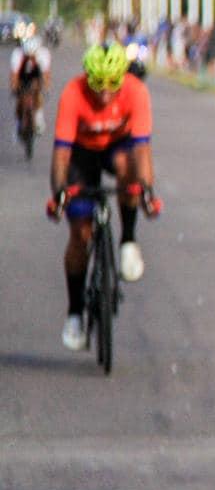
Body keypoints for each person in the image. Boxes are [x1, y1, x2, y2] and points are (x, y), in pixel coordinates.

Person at [46, 43, 162, 351]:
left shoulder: (136, 92)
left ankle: (127, 240)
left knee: (128, 169)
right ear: (88, 78)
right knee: (80, 233)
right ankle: (74, 314)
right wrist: (58, 193)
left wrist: (148, 191)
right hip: (82, 156)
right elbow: (61, 153)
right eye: (98, 84)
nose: (106, 93)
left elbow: (141, 150)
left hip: (117, 150)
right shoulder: (73, 94)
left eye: (113, 84)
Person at [9, 35, 52, 134]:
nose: (30, 57)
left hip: (36, 76)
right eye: (28, 55)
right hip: (22, 76)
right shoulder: (17, 54)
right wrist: (14, 87)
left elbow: (46, 74)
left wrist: (46, 87)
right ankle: (18, 124)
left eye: (32, 55)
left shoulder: (43, 54)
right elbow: (14, 75)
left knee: (38, 94)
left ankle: (39, 118)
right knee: (19, 98)